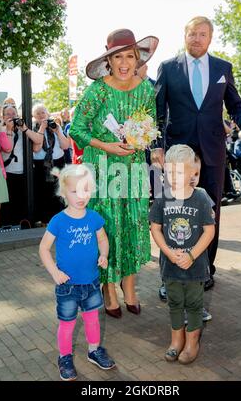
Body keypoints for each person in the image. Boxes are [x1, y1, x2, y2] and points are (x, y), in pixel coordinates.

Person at [153, 16, 241, 290]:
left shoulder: (223, 68)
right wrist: (156, 146)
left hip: (212, 152)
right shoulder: (168, 68)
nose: (197, 38)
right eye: (193, 33)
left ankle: (205, 269)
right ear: (185, 35)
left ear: (211, 38)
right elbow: (158, 112)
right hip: (178, 153)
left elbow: (236, 105)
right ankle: (171, 275)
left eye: (203, 34)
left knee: (210, 211)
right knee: (173, 211)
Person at [70, 28, 159, 318]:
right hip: (102, 168)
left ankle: (130, 286)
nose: (124, 63)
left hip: (132, 167)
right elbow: (77, 128)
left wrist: (138, 141)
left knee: (132, 225)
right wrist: (105, 144)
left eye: (129, 56)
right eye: (117, 56)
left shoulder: (146, 89)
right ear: (108, 59)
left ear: (137, 59)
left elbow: (150, 124)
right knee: (107, 228)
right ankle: (108, 290)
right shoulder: (98, 90)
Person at [39, 164, 115, 381]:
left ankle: (94, 350)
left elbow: (102, 239)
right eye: (75, 191)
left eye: (86, 190)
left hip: (91, 282)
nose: (81, 196)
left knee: (92, 319)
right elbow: (43, 248)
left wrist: (104, 255)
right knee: (67, 323)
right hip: (67, 285)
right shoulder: (58, 221)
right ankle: (64, 356)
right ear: (64, 193)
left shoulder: (93, 217)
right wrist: (54, 272)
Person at [150, 145, 215, 364]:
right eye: (169, 172)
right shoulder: (162, 198)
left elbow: (209, 230)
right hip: (170, 265)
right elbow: (156, 228)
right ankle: (176, 340)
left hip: (194, 266)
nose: (172, 177)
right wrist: (168, 252)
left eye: (178, 173)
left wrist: (192, 255)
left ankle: (192, 342)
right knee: (174, 302)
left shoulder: (201, 198)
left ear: (192, 173)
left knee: (194, 305)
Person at [0, 104, 44, 226]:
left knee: (23, 201)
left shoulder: (23, 129)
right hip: (8, 172)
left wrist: (24, 129)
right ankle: (9, 225)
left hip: (25, 171)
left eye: (14, 114)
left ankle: (24, 223)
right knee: (9, 202)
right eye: (8, 114)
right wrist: (9, 130)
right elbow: (7, 148)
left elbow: (38, 141)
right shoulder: (1, 131)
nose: (11, 116)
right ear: (3, 117)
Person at [32, 104, 70, 224]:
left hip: (58, 162)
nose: (41, 115)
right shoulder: (33, 129)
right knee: (44, 192)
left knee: (58, 191)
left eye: (43, 112)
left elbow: (65, 146)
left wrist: (58, 131)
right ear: (34, 116)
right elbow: (36, 149)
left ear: (48, 114)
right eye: (38, 113)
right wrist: (42, 128)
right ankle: (45, 220)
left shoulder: (55, 126)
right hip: (41, 164)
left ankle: (60, 218)